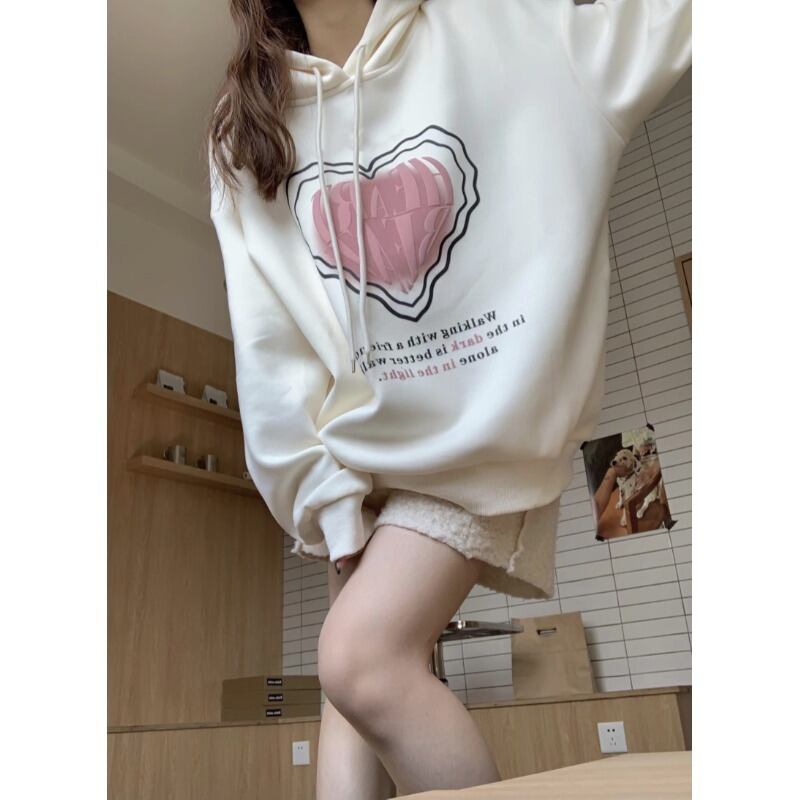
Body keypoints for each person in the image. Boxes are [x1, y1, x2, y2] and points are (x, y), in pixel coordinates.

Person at [206, 1, 691, 796]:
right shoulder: (245, 126)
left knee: (359, 660)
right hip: (354, 462)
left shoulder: (506, 26)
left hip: (478, 443)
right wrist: (324, 501)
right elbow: (269, 343)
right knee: (349, 696)